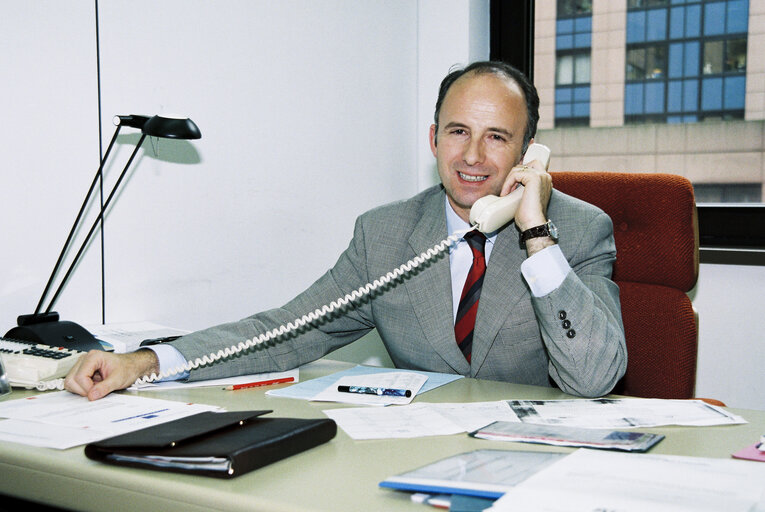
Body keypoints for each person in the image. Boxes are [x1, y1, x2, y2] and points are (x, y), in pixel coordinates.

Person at [65, 61, 626, 401]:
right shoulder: (384, 235)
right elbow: (286, 330)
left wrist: (535, 233)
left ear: (529, 153)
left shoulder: (579, 231)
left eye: (497, 138)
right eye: (458, 131)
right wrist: (146, 363)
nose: (473, 156)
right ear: (433, 139)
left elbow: (596, 378)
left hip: (538, 471)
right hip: (411, 463)